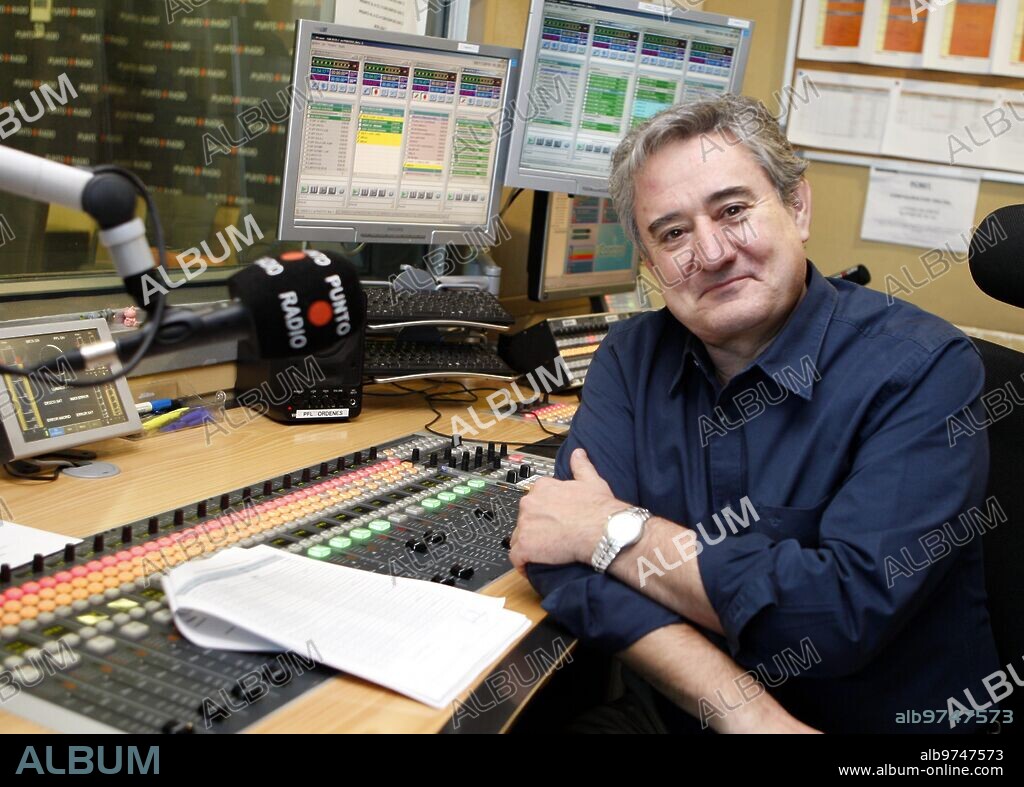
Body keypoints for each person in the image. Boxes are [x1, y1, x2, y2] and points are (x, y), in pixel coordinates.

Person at [509, 95, 1000, 734]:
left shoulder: (924, 367)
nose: (710, 253)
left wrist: (614, 532)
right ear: (651, 263)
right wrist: (750, 716)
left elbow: (837, 613)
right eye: (673, 233)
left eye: (733, 210)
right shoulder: (632, 357)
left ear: (797, 208)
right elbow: (558, 555)